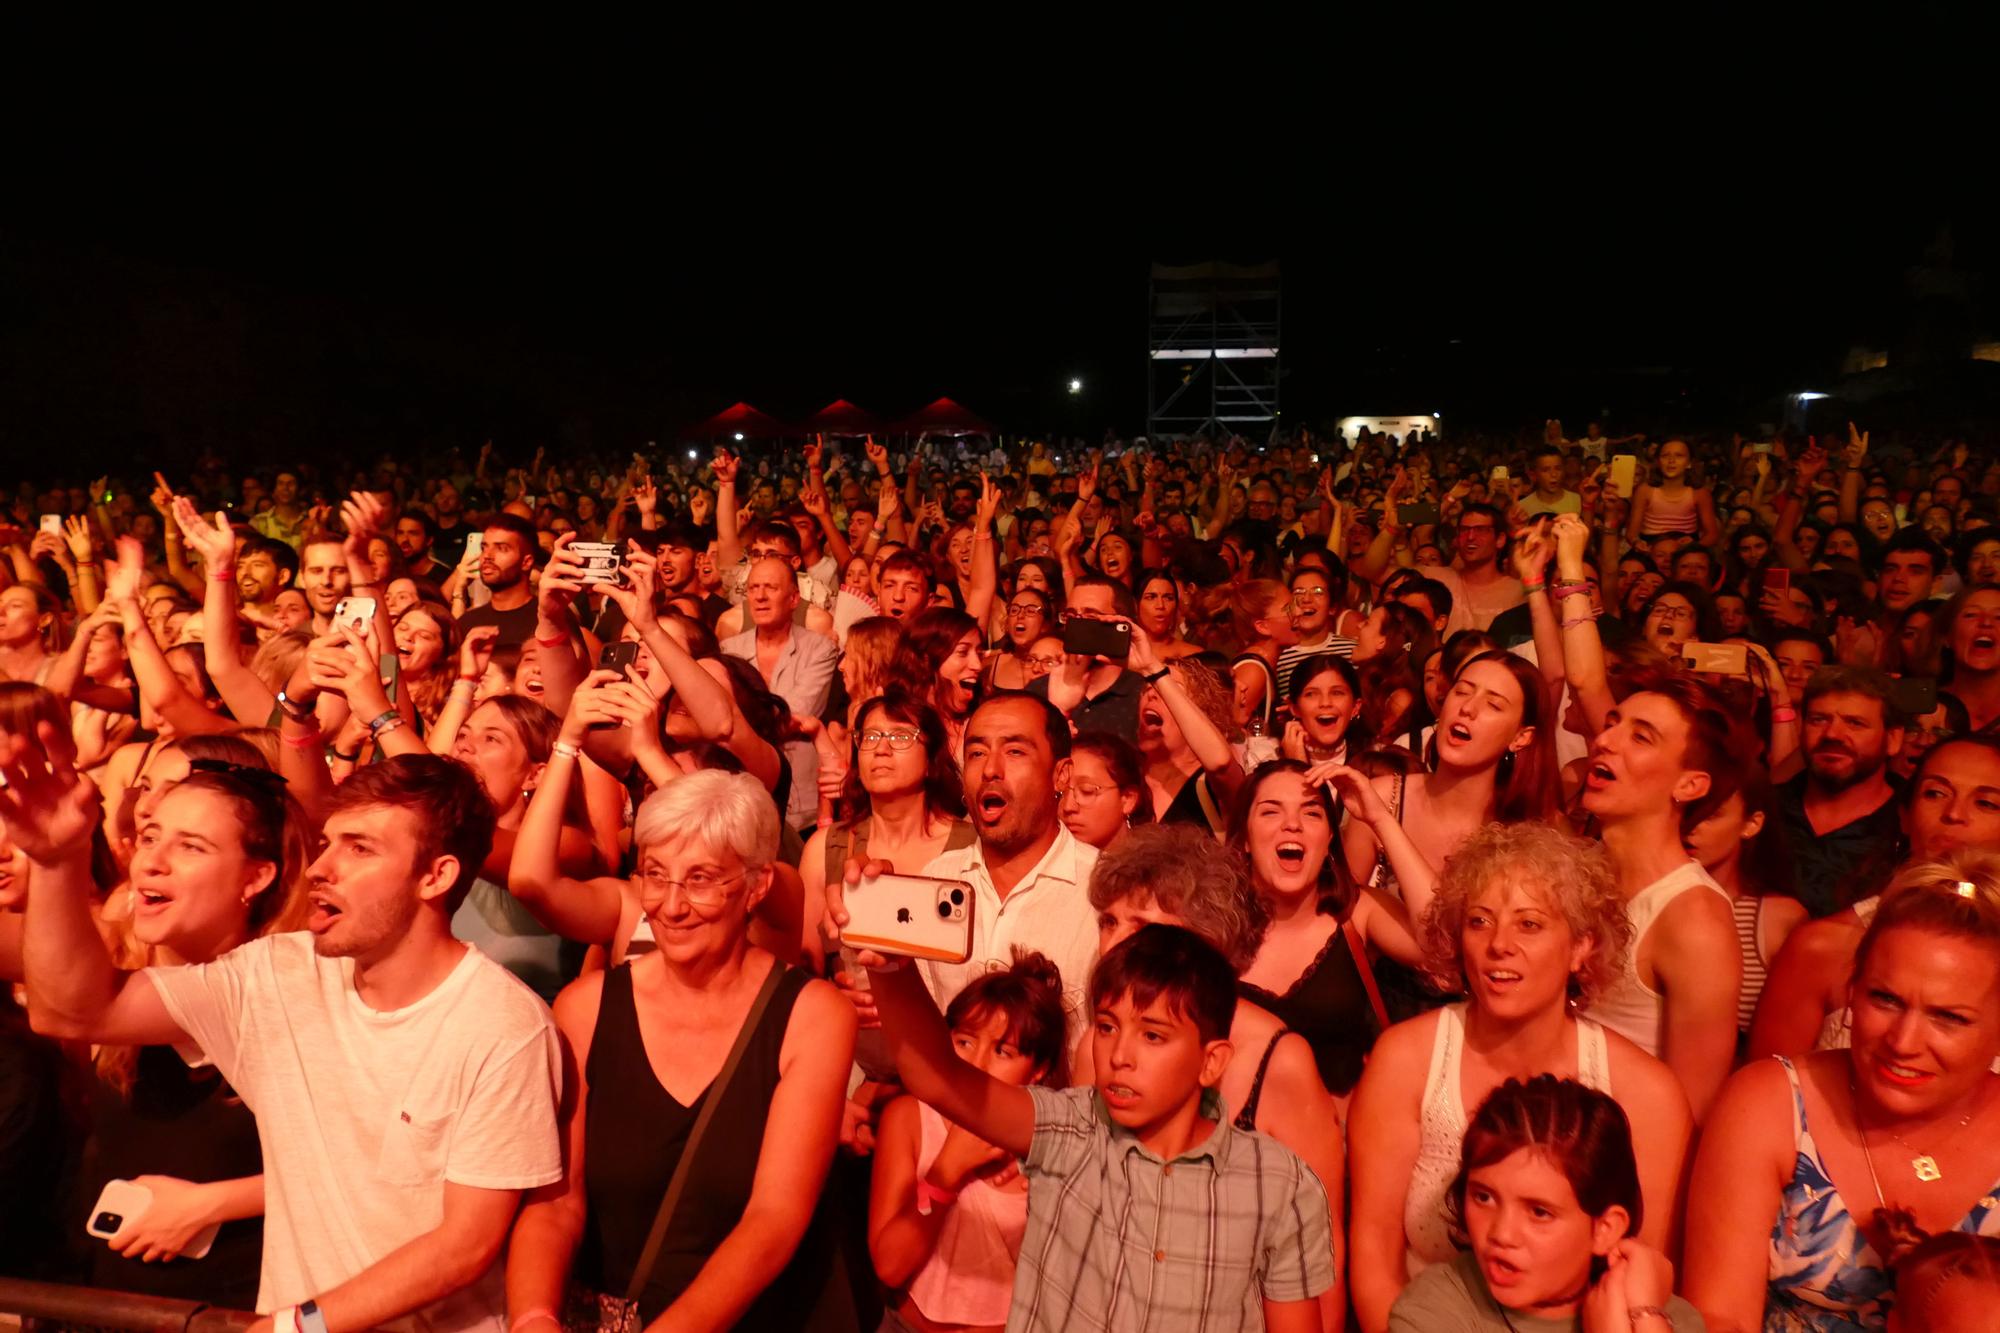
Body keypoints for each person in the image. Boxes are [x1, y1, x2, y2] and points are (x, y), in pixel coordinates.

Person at [16, 751, 564, 1329]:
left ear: (437, 876)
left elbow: (464, 1245)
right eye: (327, 843)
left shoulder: (504, 1025)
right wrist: (57, 863)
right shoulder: (280, 973)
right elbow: (73, 1013)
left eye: (360, 848)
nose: (320, 868)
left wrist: (295, 1326)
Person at [505, 770, 860, 1330]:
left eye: (700, 879)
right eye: (655, 875)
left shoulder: (812, 1016)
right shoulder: (586, 1008)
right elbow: (555, 1201)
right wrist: (532, 1317)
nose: (670, 907)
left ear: (758, 886)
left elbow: (772, 1222)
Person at [856, 923, 1336, 1331]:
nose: (1119, 1056)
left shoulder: (1277, 1187)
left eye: (1152, 1035)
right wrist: (890, 963)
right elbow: (939, 1080)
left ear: (1211, 1062)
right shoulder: (1067, 1130)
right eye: (1107, 1027)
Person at [1347, 824, 1691, 1333]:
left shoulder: (1647, 1092)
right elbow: (1374, 1259)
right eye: (1479, 922)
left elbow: (1640, 1266)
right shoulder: (1405, 1059)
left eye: (1529, 925)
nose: (1498, 945)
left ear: (1581, 947)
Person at [1687, 851, 2000, 1333]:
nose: (1903, 1042)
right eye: (1886, 999)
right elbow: (1719, 1318)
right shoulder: (1769, 1103)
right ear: (1852, 989)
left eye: (1949, 1017)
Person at [1086, 825, 1346, 1329]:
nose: (1111, 945)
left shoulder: (1278, 1060)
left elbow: (1322, 1256)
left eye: (1138, 926)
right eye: (1107, 922)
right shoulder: (1096, 1042)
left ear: (1204, 942)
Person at [72, 760, 311, 1306]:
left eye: (191, 847)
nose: (151, 861)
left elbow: (366, 1169)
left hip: (236, 1310)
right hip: (106, 1305)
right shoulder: (113, 978)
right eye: (150, 835)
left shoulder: (286, 995)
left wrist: (210, 1205)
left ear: (256, 877)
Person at [1748, 737, 2000, 1060]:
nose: (1953, 814)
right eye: (1935, 793)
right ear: (1905, 817)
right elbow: (1767, 1093)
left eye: (1987, 803)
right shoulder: (1824, 947)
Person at [1387, 1076, 1701, 1333]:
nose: (1502, 1234)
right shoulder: (1435, 1309)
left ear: (1605, 1228)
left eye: (1539, 1212)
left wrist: (1646, 1319)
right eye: (1483, 1197)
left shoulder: (1670, 1319)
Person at [867, 952, 1065, 1333]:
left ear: (1039, 1069)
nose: (977, 1064)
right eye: (964, 1042)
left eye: (1003, 1051)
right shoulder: (911, 1119)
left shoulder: (1048, 1142)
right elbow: (890, 1266)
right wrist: (948, 1169)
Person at [1231, 760, 1425, 1102]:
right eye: (1271, 812)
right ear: (1245, 838)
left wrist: (1380, 819)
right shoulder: (1210, 920)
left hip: (1339, 1144)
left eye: (1311, 813)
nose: (1292, 825)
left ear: (1329, 837)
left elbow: (1441, 944)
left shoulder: (1357, 911)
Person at [1681, 763, 1804, 1039]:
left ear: (1752, 823)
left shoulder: (1777, 917)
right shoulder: (1649, 900)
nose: (1691, 826)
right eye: (1687, 810)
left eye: (1711, 815)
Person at [724, 554, 842, 832]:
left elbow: (795, 715)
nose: (760, 597)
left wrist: (736, 725)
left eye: (771, 588)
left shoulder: (819, 649)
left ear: (793, 599)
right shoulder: (729, 651)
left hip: (800, 804)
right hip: (741, 795)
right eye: (754, 588)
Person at [1780, 666, 1908, 917]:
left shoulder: (1909, 824)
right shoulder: (1764, 808)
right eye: (1819, 719)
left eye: (1855, 723)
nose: (1832, 734)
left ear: (1893, 739)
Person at [455, 513, 542, 647]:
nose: (487, 556)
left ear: (526, 562)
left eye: (502, 548)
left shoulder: (548, 619)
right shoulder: (467, 622)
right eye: (484, 547)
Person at [1058, 731, 1153, 851]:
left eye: (1086, 791)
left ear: (1128, 799)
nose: (1068, 807)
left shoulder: (1154, 866)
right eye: (1060, 793)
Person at [1275, 564, 1357, 699]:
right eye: (1298, 592)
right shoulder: (1277, 656)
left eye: (1318, 591)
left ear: (1332, 607)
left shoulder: (1352, 651)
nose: (1306, 599)